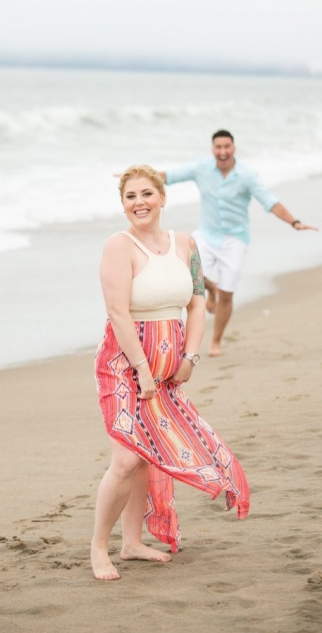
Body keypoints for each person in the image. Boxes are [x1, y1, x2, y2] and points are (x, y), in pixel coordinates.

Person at [91, 164, 250, 581]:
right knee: (127, 458)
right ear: (122, 204)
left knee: (147, 456)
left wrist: (191, 356)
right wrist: (142, 369)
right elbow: (117, 312)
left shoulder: (185, 244)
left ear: (163, 197)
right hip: (123, 365)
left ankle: (131, 543)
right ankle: (98, 547)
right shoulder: (118, 246)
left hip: (168, 369)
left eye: (146, 194)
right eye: (130, 197)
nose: (139, 203)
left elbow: (197, 301)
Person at [161, 130, 318, 356]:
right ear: (212, 149)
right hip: (206, 234)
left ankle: (216, 342)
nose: (222, 152)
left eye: (227, 147)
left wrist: (294, 222)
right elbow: (170, 175)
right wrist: (136, 176)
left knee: (227, 295)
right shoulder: (202, 168)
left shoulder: (247, 175)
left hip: (235, 239)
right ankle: (211, 288)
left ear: (233, 148)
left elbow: (269, 201)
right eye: (218, 147)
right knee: (188, 271)